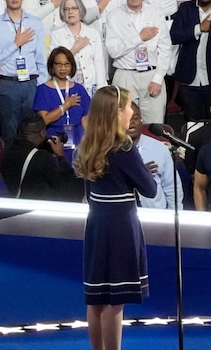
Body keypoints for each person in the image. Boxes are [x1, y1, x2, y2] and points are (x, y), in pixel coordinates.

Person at [77, 84, 157, 350]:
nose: (132, 111)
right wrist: (143, 170)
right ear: (116, 112)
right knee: (116, 300)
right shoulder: (123, 147)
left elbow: (90, 191)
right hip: (121, 225)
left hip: (97, 222)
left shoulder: (88, 142)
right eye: (128, 106)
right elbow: (150, 188)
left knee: (97, 299)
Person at [2, 113, 85, 200]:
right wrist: (61, 156)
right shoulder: (41, 158)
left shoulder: (5, 152)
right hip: (41, 205)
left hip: (19, 200)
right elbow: (63, 184)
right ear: (42, 133)